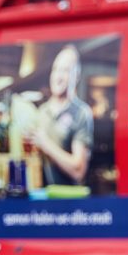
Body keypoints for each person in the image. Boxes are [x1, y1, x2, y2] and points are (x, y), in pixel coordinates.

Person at [27, 44, 93, 186]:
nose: (58, 76)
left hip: (69, 203)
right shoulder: (42, 112)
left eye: (65, 71)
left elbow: (78, 171)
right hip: (43, 199)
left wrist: (46, 144)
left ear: (76, 76)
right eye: (55, 69)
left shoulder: (81, 113)